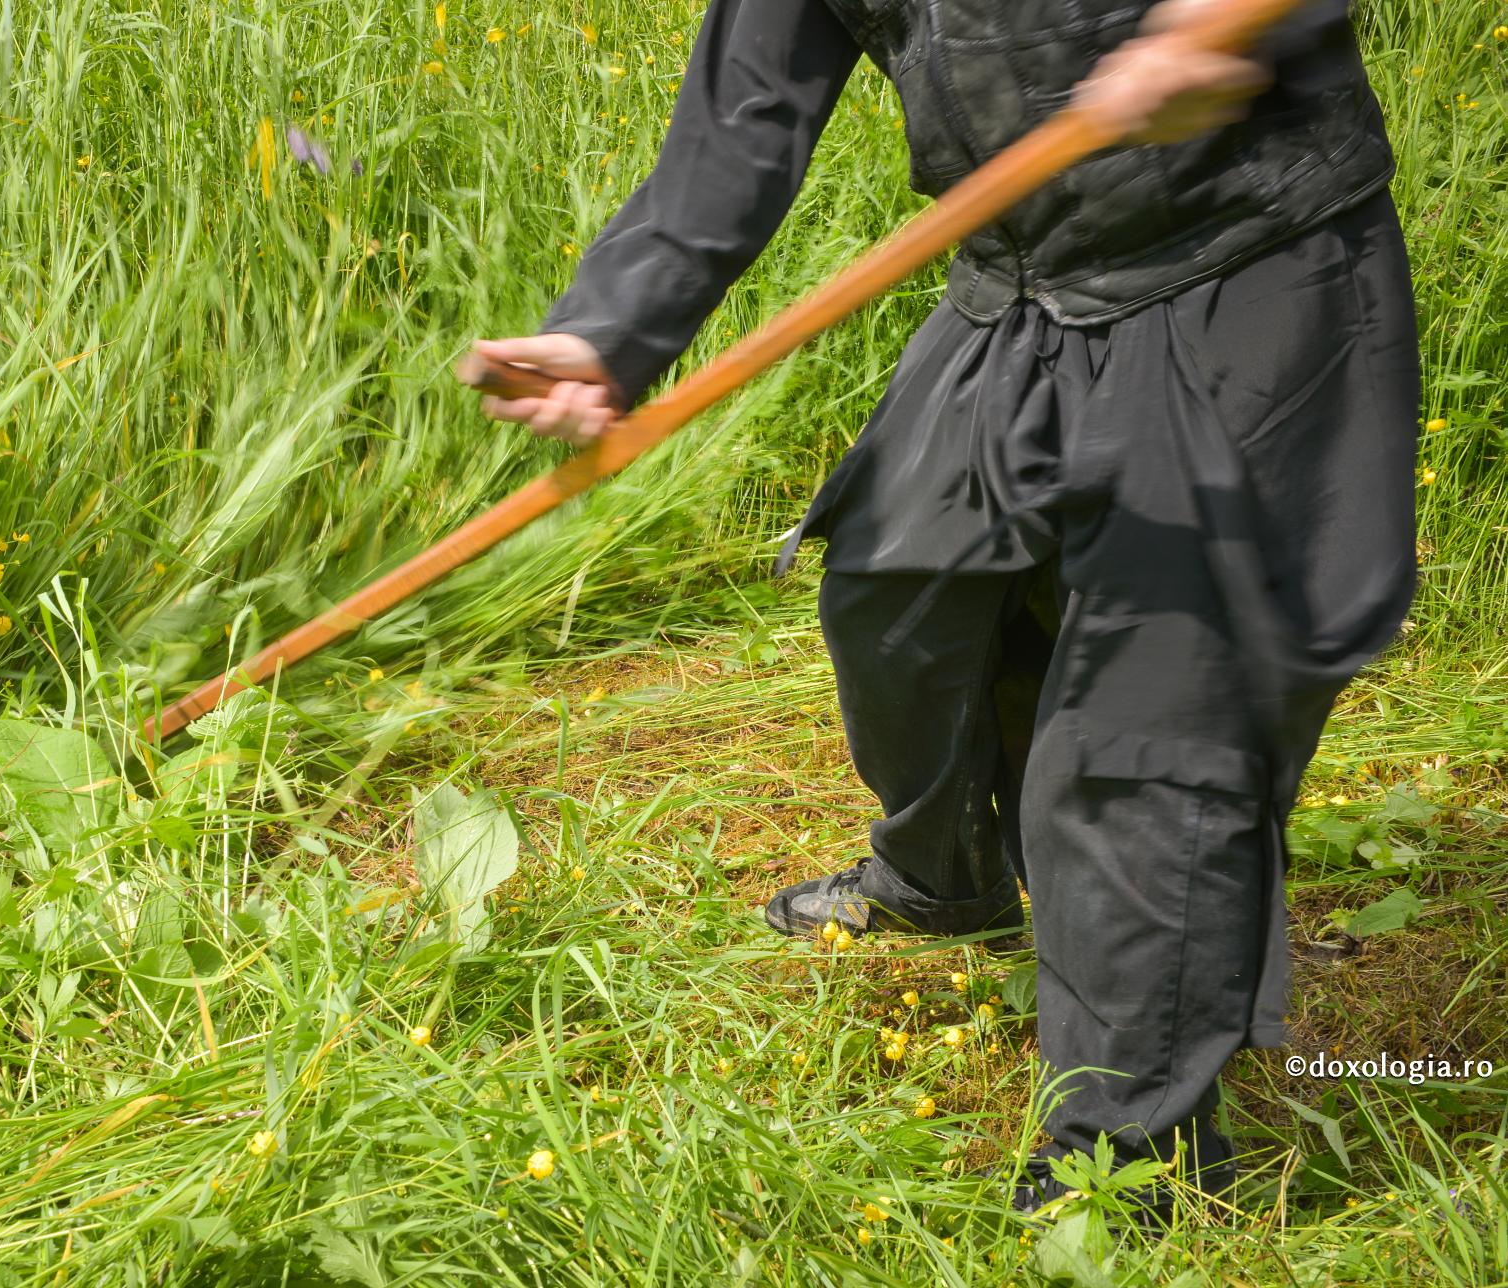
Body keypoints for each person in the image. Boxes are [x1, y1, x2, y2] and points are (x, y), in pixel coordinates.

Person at [469, 0, 1418, 1215]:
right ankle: (945, 877)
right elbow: (744, 109)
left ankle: (1128, 1154)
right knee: (897, 597)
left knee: (1148, 724)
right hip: (1022, 279)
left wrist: (1216, 26)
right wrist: (608, 333)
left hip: (1245, 262)